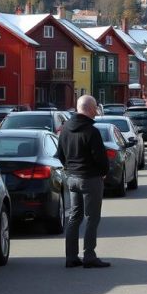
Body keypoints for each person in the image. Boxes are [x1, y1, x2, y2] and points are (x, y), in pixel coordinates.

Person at [56, 95, 111, 269]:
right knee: (92, 218)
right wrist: (103, 173)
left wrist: (69, 169)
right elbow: (101, 158)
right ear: (88, 109)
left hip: (72, 178)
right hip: (90, 178)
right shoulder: (91, 131)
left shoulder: (65, 129)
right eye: (95, 108)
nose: (96, 111)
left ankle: (71, 257)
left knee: (74, 217)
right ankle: (89, 256)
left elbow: (60, 154)